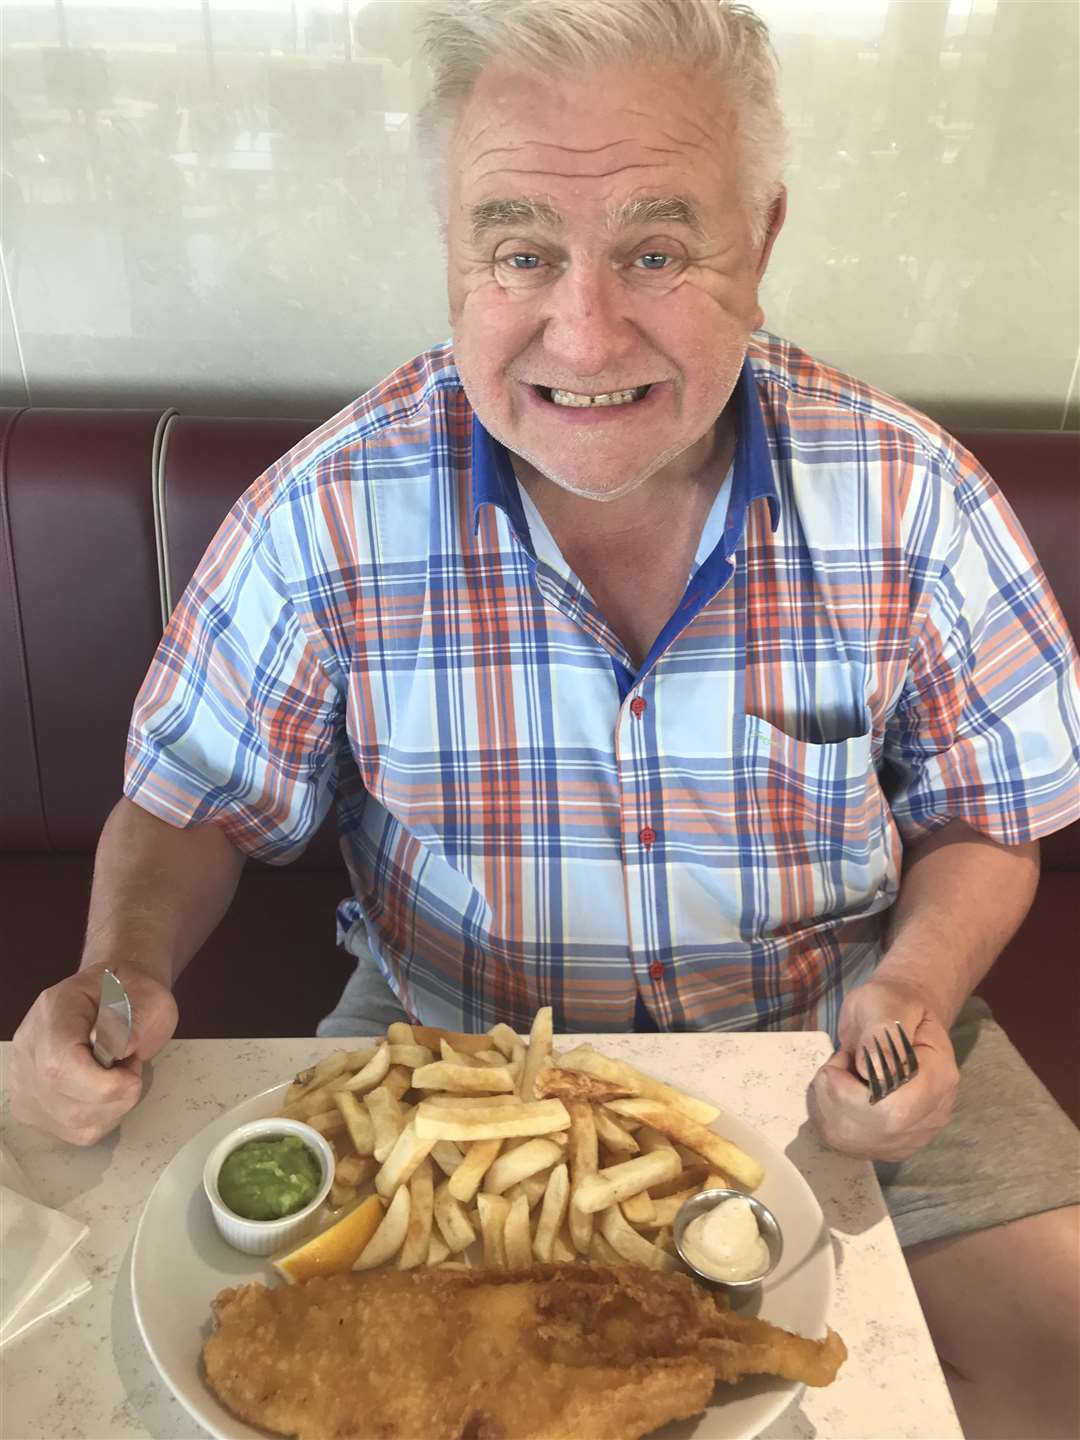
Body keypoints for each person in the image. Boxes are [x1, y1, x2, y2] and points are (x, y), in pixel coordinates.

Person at [10, 1, 1079, 1433]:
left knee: (1057, 1362)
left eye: (654, 249)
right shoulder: (328, 507)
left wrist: (919, 989)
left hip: (845, 1020)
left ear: (757, 245)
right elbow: (199, 797)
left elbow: (984, 814)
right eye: (521, 253)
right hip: (441, 1065)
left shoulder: (916, 497)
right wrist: (115, 973)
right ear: (456, 259)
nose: (584, 332)